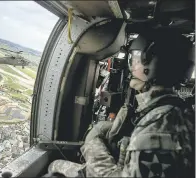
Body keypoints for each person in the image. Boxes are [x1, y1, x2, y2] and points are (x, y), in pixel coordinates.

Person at [46, 29, 194, 178]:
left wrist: (92, 143)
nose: (132, 66)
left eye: (136, 58)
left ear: (156, 64)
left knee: (54, 167)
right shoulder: (173, 110)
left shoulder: (159, 124)